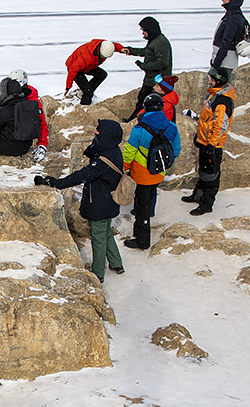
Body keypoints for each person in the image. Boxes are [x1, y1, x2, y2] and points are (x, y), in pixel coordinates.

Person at [34, 118, 126, 281]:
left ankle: (97, 274)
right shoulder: (112, 150)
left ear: (106, 135)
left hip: (100, 204)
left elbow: (82, 175)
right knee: (105, 233)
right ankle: (116, 263)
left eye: (98, 130)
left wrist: (56, 183)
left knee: (98, 238)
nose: (94, 132)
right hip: (108, 202)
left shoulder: (103, 161)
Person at [122, 92, 179, 251]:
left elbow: (128, 153)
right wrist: (163, 165)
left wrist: (123, 169)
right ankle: (149, 214)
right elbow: (176, 150)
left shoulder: (139, 130)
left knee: (141, 208)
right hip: (159, 172)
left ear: (145, 108)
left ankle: (142, 241)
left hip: (141, 175)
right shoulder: (171, 126)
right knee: (151, 194)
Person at [182, 68, 235, 216]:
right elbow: (206, 120)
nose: (209, 81)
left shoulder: (222, 101)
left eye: (212, 79)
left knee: (211, 176)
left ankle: (206, 204)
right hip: (205, 142)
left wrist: (212, 144)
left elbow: (220, 126)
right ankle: (198, 195)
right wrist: (200, 137)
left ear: (218, 81)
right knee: (204, 172)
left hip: (213, 145)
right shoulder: (214, 96)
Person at [122, 17, 173, 120]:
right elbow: (147, 52)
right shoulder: (154, 40)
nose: (143, 33)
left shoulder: (161, 43)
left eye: (144, 30)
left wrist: (144, 66)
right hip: (151, 79)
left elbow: (162, 63)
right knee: (142, 100)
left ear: (150, 30)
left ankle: (137, 121)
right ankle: (133, 120)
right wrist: (130, 50)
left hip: (158, 82)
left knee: (148, 103)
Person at [64, 39, 124, 105]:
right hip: (74, 68)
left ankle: (83, 92)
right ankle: (84, 108)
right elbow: (73, 70)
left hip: (88, 66)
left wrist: (121, 49)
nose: (104, 59)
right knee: (88, 93)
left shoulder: (105, 45)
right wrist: (68, 87)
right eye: (103, 57)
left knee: (102, 74)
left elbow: (114, 46)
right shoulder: (87, 57)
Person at [8, 69, 50, 159]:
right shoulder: (10, 97)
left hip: (22, 140)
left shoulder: (33, 102)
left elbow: (42, 124)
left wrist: (42, 145)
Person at [210, 0, 248, 82]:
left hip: (225, 62)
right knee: (218, 88)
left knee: (221, 88)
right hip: (224, 60)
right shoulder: (233, 15)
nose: (223, 0)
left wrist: (217, 61)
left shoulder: (233, 18)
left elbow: (227, 41)